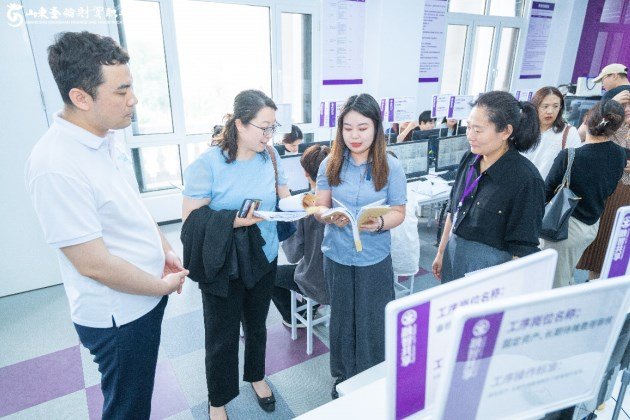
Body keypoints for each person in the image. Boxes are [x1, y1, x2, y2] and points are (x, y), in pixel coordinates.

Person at [25, 31, 188, 420]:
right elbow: (92, 264)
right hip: (120, 316)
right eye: (121, 91)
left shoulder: (105, 136)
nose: (134, 100)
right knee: (127, 407)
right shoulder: (55, 164)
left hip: (145, 294)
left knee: (138, 395)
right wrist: (160, 286)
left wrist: (164, 249)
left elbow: (131, 203)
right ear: (81, 98)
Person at [181, 89, 289, 420]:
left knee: (257, 326)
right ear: (240, 124)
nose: (269, 136)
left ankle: (256, 375)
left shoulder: (271, 156)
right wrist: (235, 220)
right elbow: (190, 222)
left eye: (273, 127)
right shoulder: (207, 164)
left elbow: (284, 197)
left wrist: (308, 205)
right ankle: (218, 400)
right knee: (221, 336)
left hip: (263, 255)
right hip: (224, 263)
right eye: (264, 128)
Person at [314, 93, 407, 398]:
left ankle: (371, 377)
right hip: (338, 255)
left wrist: (379, 223)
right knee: (341, 319)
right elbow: (319, 206)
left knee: (372, 319)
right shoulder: (330, 163)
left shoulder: (391, 166)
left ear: (376, 128)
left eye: (363, 128)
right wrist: (328, 215)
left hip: (374, 257)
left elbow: (398, 212)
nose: (354, 135)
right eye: (348, 128)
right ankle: (343, 377)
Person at [432, 91, 545, 283]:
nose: (470, 136)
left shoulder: (526, 180)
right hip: (454, 254)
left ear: (506, 132)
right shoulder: (470, 159)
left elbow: (522, 249)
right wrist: (441, 252)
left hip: (491, 269)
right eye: (468, 127)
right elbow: (454, 210)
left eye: (478, 130)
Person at [541, 100, 626, 288]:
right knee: (566, 271)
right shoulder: (619, 154)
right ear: (616, 128)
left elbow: (545, 193)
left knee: (554, 283)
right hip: (591, 225)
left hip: (563, 226)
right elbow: (610, 189)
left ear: (586, 120)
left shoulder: (570, 156)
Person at [271, 145, 331, 327]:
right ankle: (310, 306)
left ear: (305, 173)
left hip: (317, 282)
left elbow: (293, 255)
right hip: (342, 281)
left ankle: (292, 318)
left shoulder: (307, 208)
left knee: (269, 275)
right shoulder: (342, 201)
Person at [577, 93, 630, 279]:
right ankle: (593, 284)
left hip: (626, 195)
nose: (627, 110)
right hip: (607, 194)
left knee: (621, 249)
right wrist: (609, 105)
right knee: (600, 247)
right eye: (624, 106)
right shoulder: (609, 128)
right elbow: (580, 135)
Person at [522, 86, 582, 179]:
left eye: (555, 106)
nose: (550, 111)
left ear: (560, 108)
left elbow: (574, 166)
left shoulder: (569, 133)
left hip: (550, 187)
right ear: (535, 107)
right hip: (520, 184)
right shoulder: (522, 129)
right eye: (545, 106)